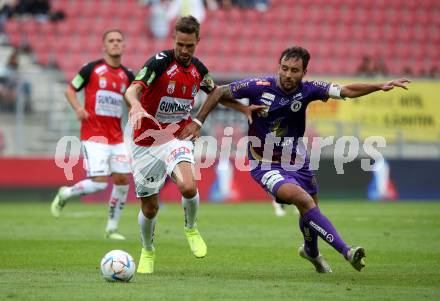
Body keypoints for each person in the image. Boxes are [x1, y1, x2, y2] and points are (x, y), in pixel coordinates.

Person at [179, 46, 410, 273]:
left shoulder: (310, 90)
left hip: (298, 161)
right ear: (278, 67)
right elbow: (218, 91)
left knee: (310, 211)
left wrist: (379, 86)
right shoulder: (259, 86)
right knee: (303, 200)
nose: (288, 75)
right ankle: (347, 251)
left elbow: (347, 90)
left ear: (304, 72)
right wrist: (200, 122)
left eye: (294, 70)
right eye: (284, 68)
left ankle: (311, 251)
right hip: (265, 164)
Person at [124, 15, 221, 274]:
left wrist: (201, 120)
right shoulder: (159, 62)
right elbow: (132, 90)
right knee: (150, 206)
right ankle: (147, 250)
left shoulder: (199, 69)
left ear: (197, 42)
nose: (184, 50)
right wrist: (134, 105)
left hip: (176, 137)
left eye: (189, 45)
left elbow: (217, 92)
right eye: (180, 44)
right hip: (145, 141)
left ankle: (190, 228)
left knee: (188, 186)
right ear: (173, 40)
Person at [50, 29, 134, 241]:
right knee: (99, 183)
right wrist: (78, 108)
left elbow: (134, 99)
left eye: (119, 40)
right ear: (104, 46)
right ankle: (66, 193)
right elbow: (70, 90)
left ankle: (111, 229)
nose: (115, 44)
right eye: (111, 41)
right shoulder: (91, 69)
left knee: (123, 180)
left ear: (124, 46)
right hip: (94, 135)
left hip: (116, 137)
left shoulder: (128, 76)